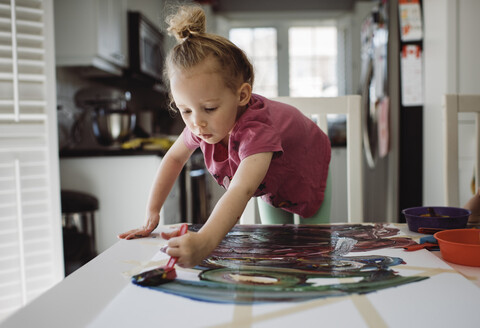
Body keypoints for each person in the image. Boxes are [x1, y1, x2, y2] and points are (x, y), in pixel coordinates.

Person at [118, 5, 331, 268]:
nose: (196, 122)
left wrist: (205, 241)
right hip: (271, 176)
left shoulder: (256, 130)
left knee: (316, 246)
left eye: (209, 108)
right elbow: (174, 159)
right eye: (185, 110)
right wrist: (152, 211)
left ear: (242, 96)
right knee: (276, 245)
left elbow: (242, 188)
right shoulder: (203, 122)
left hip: (305, 163)